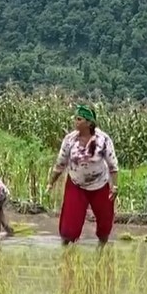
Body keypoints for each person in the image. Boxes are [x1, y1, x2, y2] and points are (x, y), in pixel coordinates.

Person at [47, 105, 119, 246]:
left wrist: (114, 186)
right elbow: (60, 164)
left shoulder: (103, 140)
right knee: (70, 225)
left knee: (105, 221)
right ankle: (66, 251)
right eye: (76, 118)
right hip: (76, 184)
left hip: (100, 184)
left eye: (79, 119)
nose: (75, 121)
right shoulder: (70, 140)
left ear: (89, 123)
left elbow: (113, 165)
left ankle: (102, 249)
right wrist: (51, 183)